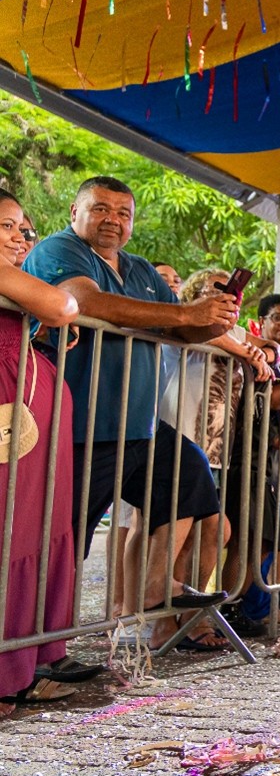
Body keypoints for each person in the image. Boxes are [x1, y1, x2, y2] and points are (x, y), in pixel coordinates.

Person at [21, 177, 234, 649]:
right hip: (80, 425)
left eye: (123, 213)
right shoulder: (61, 249)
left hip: (140, 424)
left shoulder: (139, 268)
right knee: (61, 541)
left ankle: (158, 597)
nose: (112, 220)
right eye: (100, 209)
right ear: (75, 212)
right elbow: (85, 300)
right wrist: (187, 315)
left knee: (193, 486)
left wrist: (213, 319)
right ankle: (38, 648)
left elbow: (181, 330)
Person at [0, 190, 88, 712]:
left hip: (30, 411)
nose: (19, 237)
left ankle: (25, 662)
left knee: (32, 530)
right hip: (10, 414)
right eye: (6, 226)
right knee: (9, 531)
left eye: (23, 228)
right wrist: (52, 311)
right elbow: (62, 304)